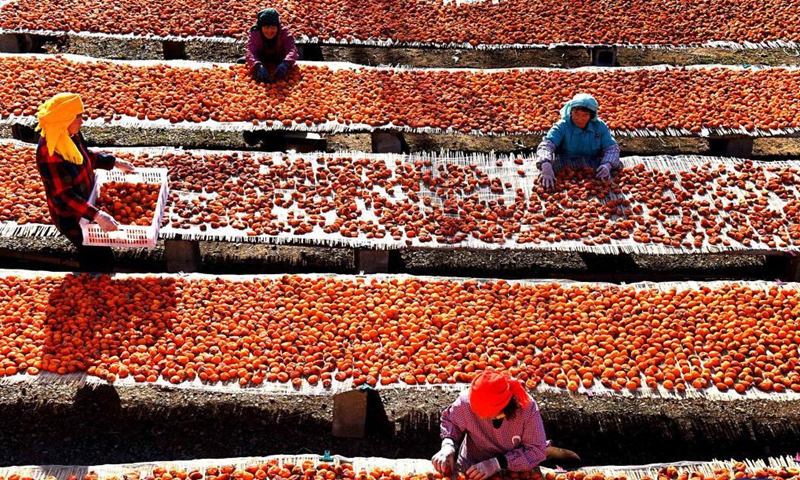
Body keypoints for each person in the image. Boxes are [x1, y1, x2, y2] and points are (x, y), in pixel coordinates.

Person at [35, 92, 135, 272]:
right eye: (78, 117)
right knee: (96, 257)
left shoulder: (70, 135)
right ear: (65, 119)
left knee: (98, 252)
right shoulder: (49, 152)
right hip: (71, 216)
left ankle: (95, 284)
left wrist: (114, 162)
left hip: (86, 203)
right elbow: (63, 195)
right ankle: (92, 288)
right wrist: (97, 215)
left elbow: (85, 156)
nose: (82, 121)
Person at [432, 371, 580, 480]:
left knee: (570, 459)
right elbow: (451, 420)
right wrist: (448, 445)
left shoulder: (526, 409)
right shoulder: (467, 401)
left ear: (506, 408)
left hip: (515, 466)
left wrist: (497, 463)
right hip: (473, 465)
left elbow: (535, 450)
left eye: (488, 414)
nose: (482, 417)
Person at [536, 93, 621, 189]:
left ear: (591, 116)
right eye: (576, 114)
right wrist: (545, 164)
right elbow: (546, 145)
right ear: (571, 112)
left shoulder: (599, 126)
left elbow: (612, 148)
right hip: (565, 166)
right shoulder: (562, 126)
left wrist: (607, 164)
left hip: (594, 168)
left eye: (585, 115)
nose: (579, 119)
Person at [245, 8, 300, 83]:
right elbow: (251, 52)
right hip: (262, 61)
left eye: (273, 27)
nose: (270, 31)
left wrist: (286, 63)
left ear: (278, 26)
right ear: (260, 27)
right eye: (266, 27)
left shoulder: (284, 33)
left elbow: (292, 50)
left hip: (279, 61)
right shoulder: (256, 33)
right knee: (241, 61)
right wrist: (257, 65)